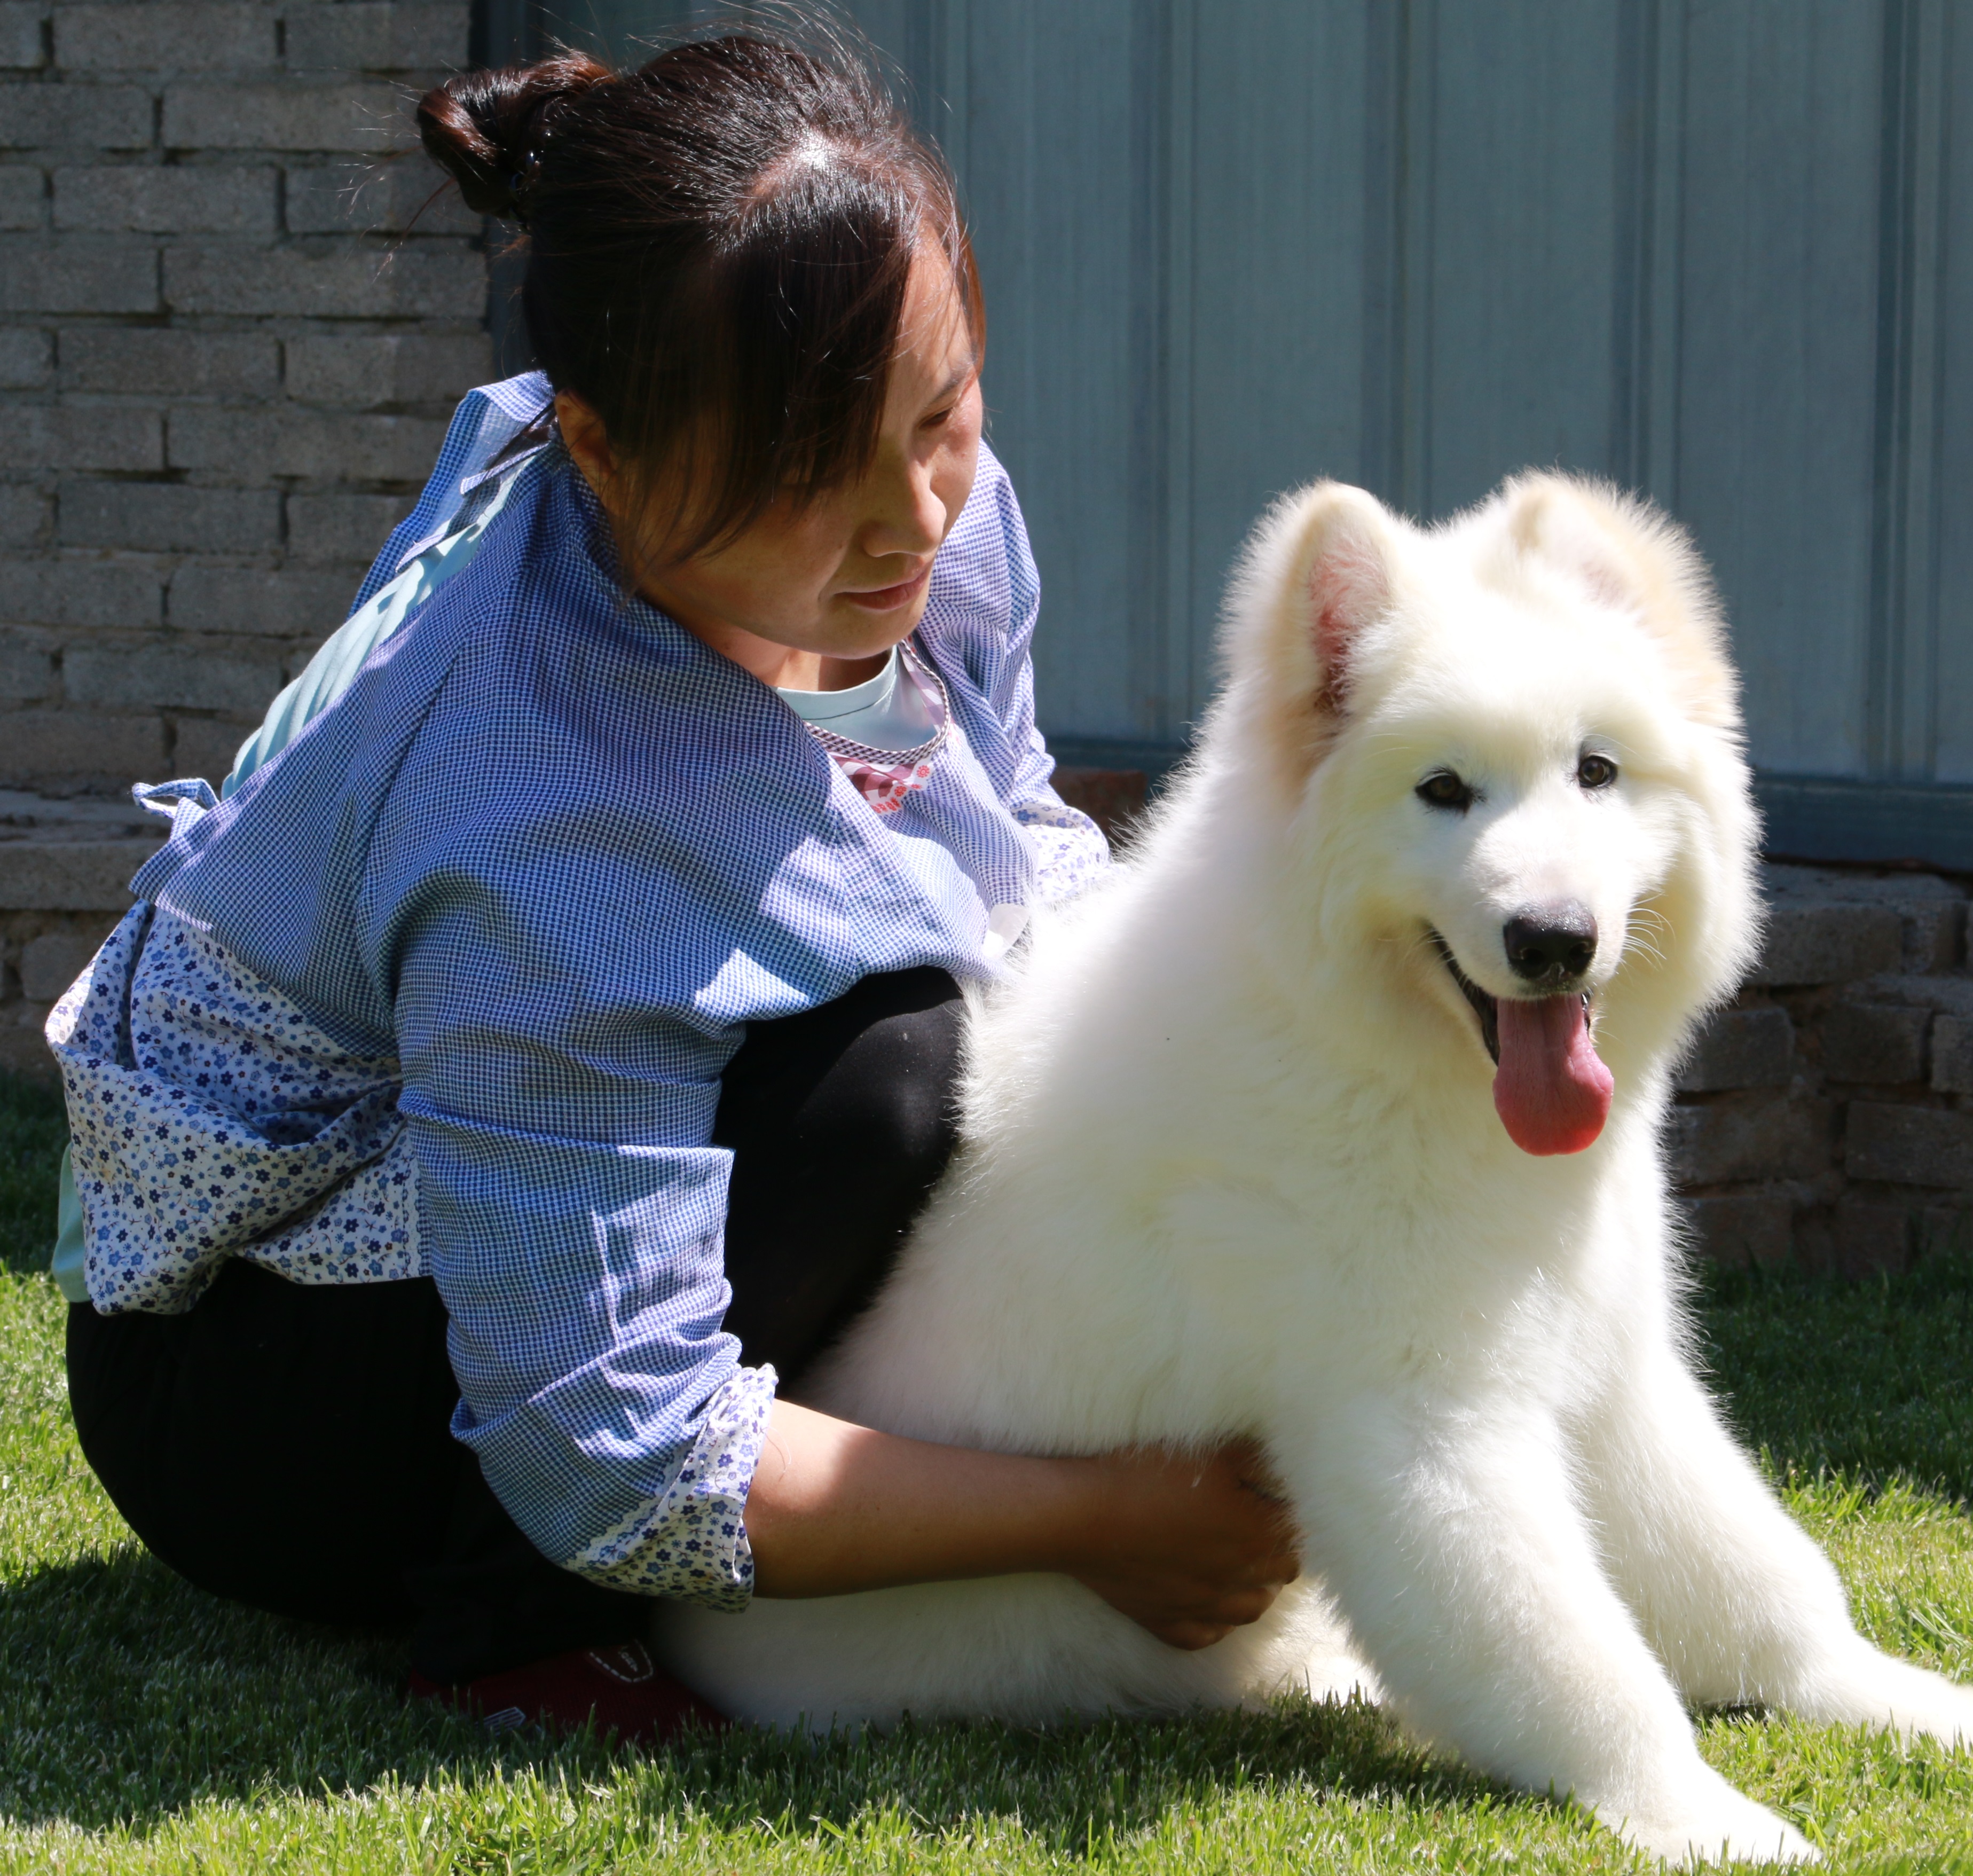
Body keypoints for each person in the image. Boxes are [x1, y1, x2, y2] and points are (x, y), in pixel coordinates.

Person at [49, 32, 1296, 1742]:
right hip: (251, 1381)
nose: (908, 524)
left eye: (941, 414)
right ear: (602, 450)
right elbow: (614, 1441)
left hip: (450, 1191)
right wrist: (1110, 1523)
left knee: (969, 1032)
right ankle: (508, 1628)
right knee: (885, 1079)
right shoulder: (534, 799)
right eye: (806, 473)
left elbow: (1016, 838)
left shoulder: (934, 524)